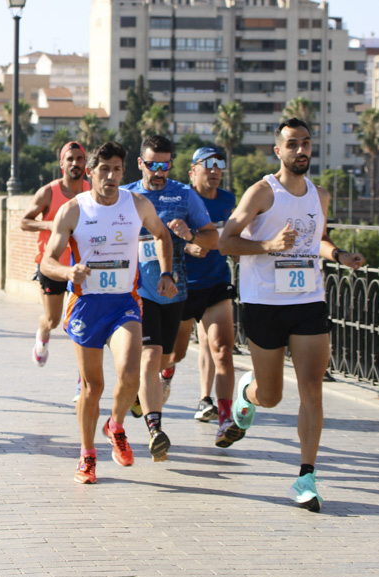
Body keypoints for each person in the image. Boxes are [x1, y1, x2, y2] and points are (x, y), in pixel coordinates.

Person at [218, 118, 366, 512]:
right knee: (271, 397)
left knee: (311, 388)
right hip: (265, 302)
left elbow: (317, 240)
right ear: (278, 150)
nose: (301, 151)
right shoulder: (262, 192)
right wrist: (267, 244)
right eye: (292, 144)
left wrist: (339, 255)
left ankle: (306, 477)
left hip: (308, 300)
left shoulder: (321, 196)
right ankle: (247, 397)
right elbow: (225, 242)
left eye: (306, 143)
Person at [40, 141, 176, 484]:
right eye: (105, 170)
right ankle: (87, 454)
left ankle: (115, 426)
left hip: (123, 303)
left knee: (131, 371)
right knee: (92, 386)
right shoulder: (73, 210)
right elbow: (47, 262)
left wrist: (166, 273)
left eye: (118, 170)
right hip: (86, 305)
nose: (112, 176)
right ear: (90, 172)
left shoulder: (137, 204)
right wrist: (68, 273)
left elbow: (162, 235)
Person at [121, 135, 217, 461]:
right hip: (138, 292)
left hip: (175, 291)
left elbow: (211, 237)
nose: (158, 172)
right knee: (149, 357)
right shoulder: (128, 196)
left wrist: (189, 234)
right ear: (140, 164)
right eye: (152, 165)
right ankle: (155, 429)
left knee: (168, 358)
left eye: (164, 165)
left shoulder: (183, 194)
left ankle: (155, 386)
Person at [167, 147, 237, 427]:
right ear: (192, 171)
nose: (214, 169)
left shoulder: (228, 200)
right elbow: (161, 236)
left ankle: (225, 419)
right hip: (185, 286)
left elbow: (234, 235)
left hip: (217, 283)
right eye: (207, 164)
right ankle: (165, 374)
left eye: (220, 163)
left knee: (222, 348)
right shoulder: (180, 199)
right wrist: (187, 246)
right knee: (177, 353)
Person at [20, 141, 89, 368]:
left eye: (79, 159)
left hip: (84, 267)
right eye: (70, 159)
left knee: (85, 322)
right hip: (54, 266)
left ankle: (84, 379)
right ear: (62, 163)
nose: (75, 163)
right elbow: (24, 221)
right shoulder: (49, 192)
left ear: (85, 163)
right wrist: (52, 226)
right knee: (53, 319)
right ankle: (42, 334)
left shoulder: (91, 190)